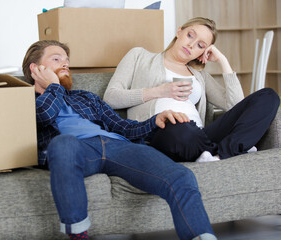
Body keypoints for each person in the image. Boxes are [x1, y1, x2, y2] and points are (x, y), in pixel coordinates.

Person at [22, 39, 218, 240]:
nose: (65, 64)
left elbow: (121, 126)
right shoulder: (21, 99)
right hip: (77, 148)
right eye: (56, 59)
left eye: (67, 60)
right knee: (63, 144)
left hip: (118, 146)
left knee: (181, 176)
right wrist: (54, 87)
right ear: (36, 68)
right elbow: (42, 116)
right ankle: (78, 236)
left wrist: (154, 121)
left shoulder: (85, 97)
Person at [103, 17, 280, 163]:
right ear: (179, 31)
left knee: (268, 96)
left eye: (201, 46)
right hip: (163, 131)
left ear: (203, 53)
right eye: (190, 35)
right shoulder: (139, 56)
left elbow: (235, 105)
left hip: (199, 134)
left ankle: (218, 156)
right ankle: (232, 149)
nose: (191, 45)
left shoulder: (199, 76)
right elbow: (111, 97)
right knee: (180, 129)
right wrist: (161, 91)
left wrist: (223, 61)